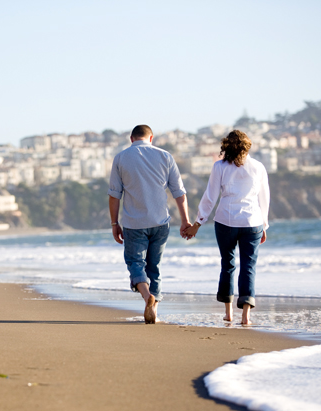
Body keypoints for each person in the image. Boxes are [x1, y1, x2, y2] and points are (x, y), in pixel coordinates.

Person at [183, 130, 270, 326]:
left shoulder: (219, 167)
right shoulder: (258, 167)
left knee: (228, 264)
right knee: (249, 266)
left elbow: (210, 196)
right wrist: (264, 224)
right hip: (252, 221)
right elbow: (264, 198)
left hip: (226, 221)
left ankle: (229, 313)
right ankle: (246, 316)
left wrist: (198, 222)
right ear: (248, 146)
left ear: (226, 146)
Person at [108, 124, 191, 324]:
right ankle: (154, 308)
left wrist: (114, 223)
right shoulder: (165, 156)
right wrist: (186, 221)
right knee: (154, 266)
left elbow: (114, 195)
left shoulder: (121, 158)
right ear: (151, 138)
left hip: (133, 223)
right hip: (160, 222)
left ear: (131, 139)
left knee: (135, 263)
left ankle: (147, 298)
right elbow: (179, 192)